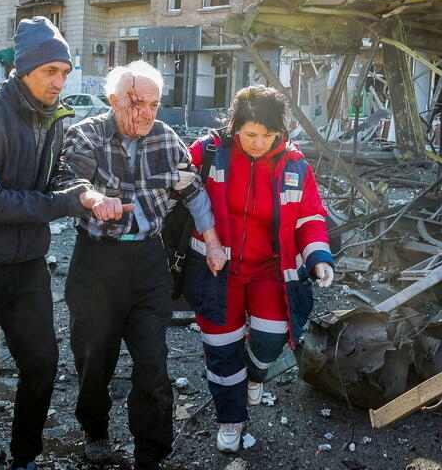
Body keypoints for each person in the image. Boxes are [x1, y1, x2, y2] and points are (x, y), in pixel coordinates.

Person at [0, 17, 104, 470]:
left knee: (43, 365)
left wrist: (85, 191)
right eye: (51, 70)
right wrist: (63, 204)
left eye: (65, 72)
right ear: (24, 68)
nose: (59, 81)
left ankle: (25, 456)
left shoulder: (56, 120)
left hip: (27, 262)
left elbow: (60, 181)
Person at [52, 60, 226, 470]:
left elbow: (193, 193)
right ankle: (95, 430)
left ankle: (151, 452)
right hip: (96, 262)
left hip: (149, 260)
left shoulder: (166, 139)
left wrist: (214, 243)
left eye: (154, 103)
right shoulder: (86, 135)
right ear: (113, 101)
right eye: (137, 103)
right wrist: (94, 199)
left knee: (153, 361)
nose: (147, 113)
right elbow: (66, 182)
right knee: (94, 357)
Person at [182, 85, 335, 453]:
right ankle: (231, 420)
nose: (259, 142)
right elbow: (177, 188)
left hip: (270, 270)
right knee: (221, 348)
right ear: (235, 127)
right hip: (217, 270)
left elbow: (310, 217)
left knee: (270, 339)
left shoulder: (295, 164)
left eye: (268, 135)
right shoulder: (209, 152)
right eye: (251, 134)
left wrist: (319, 257)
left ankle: (254, 375)